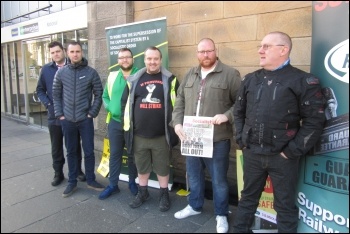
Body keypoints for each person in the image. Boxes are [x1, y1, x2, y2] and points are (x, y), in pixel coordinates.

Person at [232, 31, 326, 233]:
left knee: (284, 206)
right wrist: (242, 140)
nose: (260, 50)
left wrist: (290, 152)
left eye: (267, 46)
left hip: (283, 158)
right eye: (261, 46)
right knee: (247, 200)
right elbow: (238, 112)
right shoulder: (250, 79)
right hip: (253, 154)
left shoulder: (303, 81)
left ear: (284, 50)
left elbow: (314, 121)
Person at [171, 38, 241, 233]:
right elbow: (180, 101)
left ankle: (221, 214)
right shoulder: (190, 74)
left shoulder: (230, 74)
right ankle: (194, 205)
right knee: (193, 175)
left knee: (219, 180)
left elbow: (242, 103)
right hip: (192, 137)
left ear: (215, 51)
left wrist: (226, 116)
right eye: (202, 52)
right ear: (197, 54)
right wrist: (176, 123)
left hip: (217, 139)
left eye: (209, 51)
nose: (206, 55)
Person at [121, 46, 179, 212]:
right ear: (144, 60)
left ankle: (163, 194)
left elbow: (179, 105)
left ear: (161, 60)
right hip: (139, 135)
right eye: (149, 59)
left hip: (162, 135)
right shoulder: (134, 80)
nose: (152, 62)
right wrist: (126, 129)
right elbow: (125, 104)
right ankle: (143, 192)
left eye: (155, 59)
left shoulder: (170, 79)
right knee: (142, 167)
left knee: (162, 167)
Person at [52, 41, 104, 198]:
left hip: (85, 120)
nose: (75, 54)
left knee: (89, 151)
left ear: (82, 53)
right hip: (67, 120)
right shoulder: (61, 73)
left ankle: (90, 179)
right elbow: (55, 94)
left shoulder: (90, 72)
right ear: (67, 53)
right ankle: (72, 181)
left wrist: (92, 113)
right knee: (72, 151)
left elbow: (99, 93)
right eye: (72, 51)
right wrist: (60, 114)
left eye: (78, 51)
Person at [36, 41, 86, 187]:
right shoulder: (46, 70)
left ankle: (77, 171)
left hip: (72, 115)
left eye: (57, 51)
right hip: (54, 116)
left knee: (74, 145)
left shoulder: (74, 67)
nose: (55, 54)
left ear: (64, 51)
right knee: (56, 146)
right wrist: (49, 104)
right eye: (52, 53)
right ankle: (58, 173)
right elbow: (40, 90)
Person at [98, 48, 139, 200]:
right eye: (121, 57)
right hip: (114, 122)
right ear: (118, 60)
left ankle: (132, 182)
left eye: (127, 57)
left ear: (132, 59)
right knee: (114, 154)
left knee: (132, 155)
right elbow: (105, 96)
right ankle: (113, 185)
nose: (124, 60)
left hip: (133, 124)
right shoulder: (112, 75)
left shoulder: (139, 75)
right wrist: (110, 107)